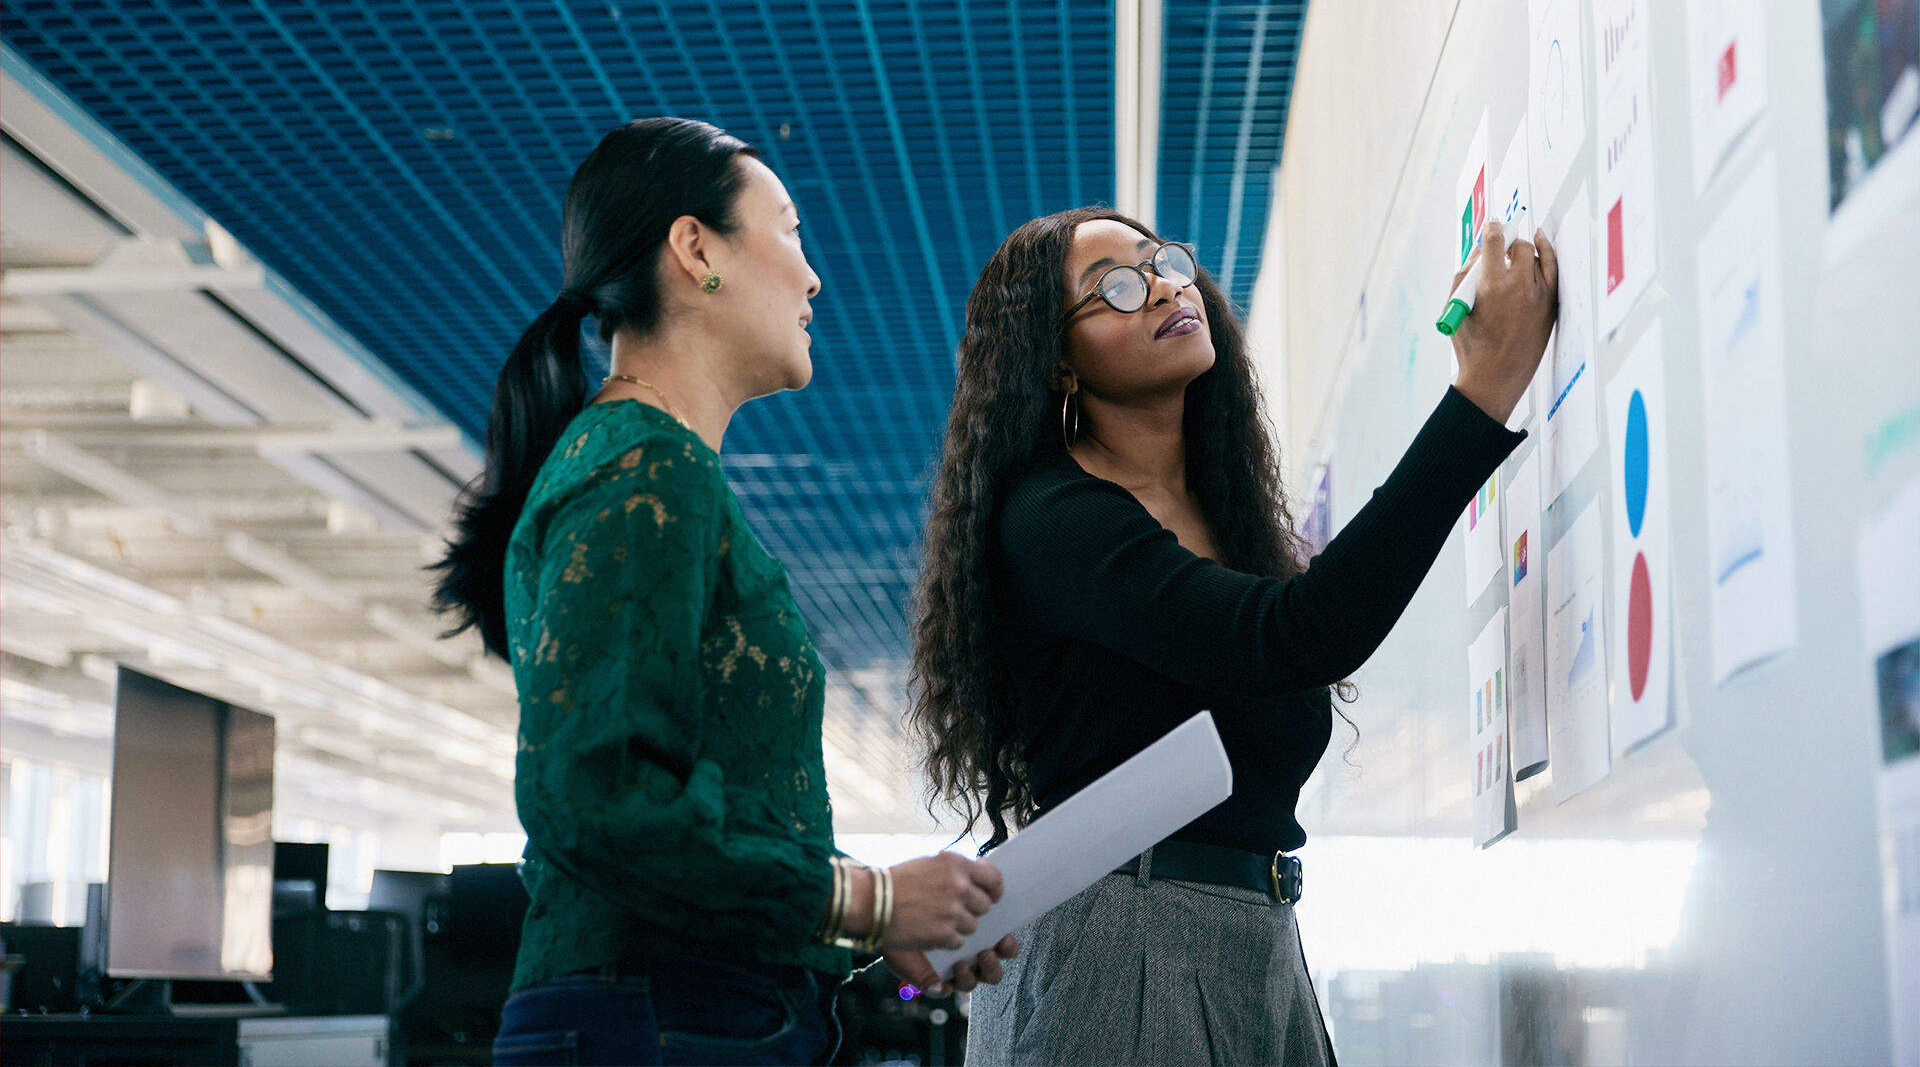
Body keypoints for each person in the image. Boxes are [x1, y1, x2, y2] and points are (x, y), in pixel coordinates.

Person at [431, 117, 1016, 1067]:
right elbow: (598, 795)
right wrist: (863, 898)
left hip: (680, 1010)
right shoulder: (644, 470)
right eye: (788, 230)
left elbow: (695, 812)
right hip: (659, 1018)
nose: (813, 275)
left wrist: (873, 927)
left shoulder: (649, 466)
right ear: (697, 249)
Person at [908, 207, 1555, 1065]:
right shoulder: (1052, 520)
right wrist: (1479, 398)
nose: (1165, 287)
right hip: (1119, 951)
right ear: (1056, 362)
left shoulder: (1228, 518)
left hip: (1256, 938)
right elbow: (1294, 638)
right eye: (1115, 288)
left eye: (1163, 260)